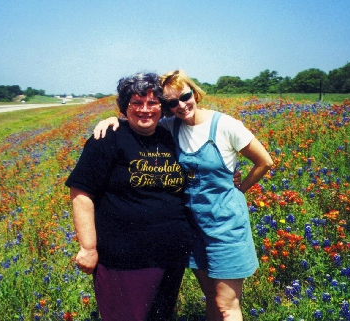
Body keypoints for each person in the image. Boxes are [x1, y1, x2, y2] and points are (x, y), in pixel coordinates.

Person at [93, 69, 274, 320]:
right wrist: (113, 121)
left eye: (184, 96)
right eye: (171, 102)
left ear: (194, 92)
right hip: (192, 228)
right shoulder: (170, 126)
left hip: (225, 227)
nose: (180, 105)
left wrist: (238, 188)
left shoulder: (226, 125)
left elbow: (265, 161)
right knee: (211, 297)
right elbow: (141, 119)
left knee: (226, 304)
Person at [65, 72, 192, 321]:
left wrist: (231, 175)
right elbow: (81, 193)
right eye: (136, 103)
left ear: (162, 107)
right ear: (125, 107)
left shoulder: (170, 136)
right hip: (124, 258)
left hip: (170, 254)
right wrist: (88, 247)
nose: (145, 109)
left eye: (152, 102)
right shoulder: (107, 138)